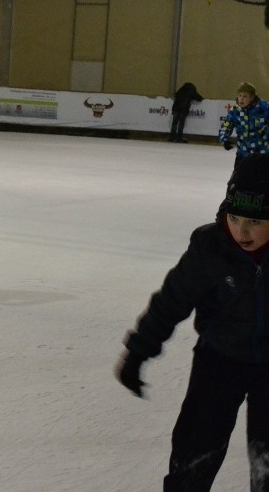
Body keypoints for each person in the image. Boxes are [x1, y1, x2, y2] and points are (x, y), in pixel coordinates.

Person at [115, 153, 269, 491]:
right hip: (219, 360)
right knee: (195, 455)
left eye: (255, 222)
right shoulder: (210, 248)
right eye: (234, 217)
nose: (241, 231)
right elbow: (172, 300)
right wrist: (138, 351)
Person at [218, 82, 269, 170]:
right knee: (236, 183)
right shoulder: (235, 111)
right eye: (240, 95)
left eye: (245, 96)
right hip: (243, 155)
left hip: (262, 155)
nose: (241, 99)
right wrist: (224, 140)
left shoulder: (264, 108)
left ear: (252, 97)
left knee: (261, 183)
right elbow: (226, 127)